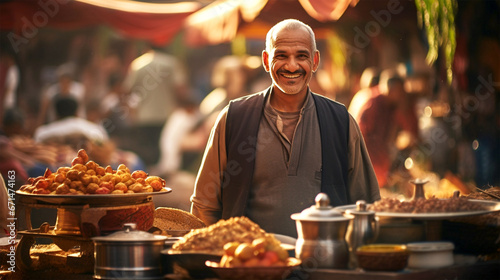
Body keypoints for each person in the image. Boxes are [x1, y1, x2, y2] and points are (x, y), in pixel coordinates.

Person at [190, 19, 380, 238]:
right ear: (266, 60)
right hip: (250, 264)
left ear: (315, 60)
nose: (291, 66)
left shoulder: (340, 121)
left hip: (324, 262)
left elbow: (366, 204)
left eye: (301, 56)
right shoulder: (234, 119)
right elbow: (204, 205)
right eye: (281, 56)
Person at [356, 69, 419, 188]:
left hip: (381, 164)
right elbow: (359, 134)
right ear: (392, 89)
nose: (401, 95)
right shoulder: (373, 103)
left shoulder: (391, 105)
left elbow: (407, 127)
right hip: (369, 164)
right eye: (400, 91)